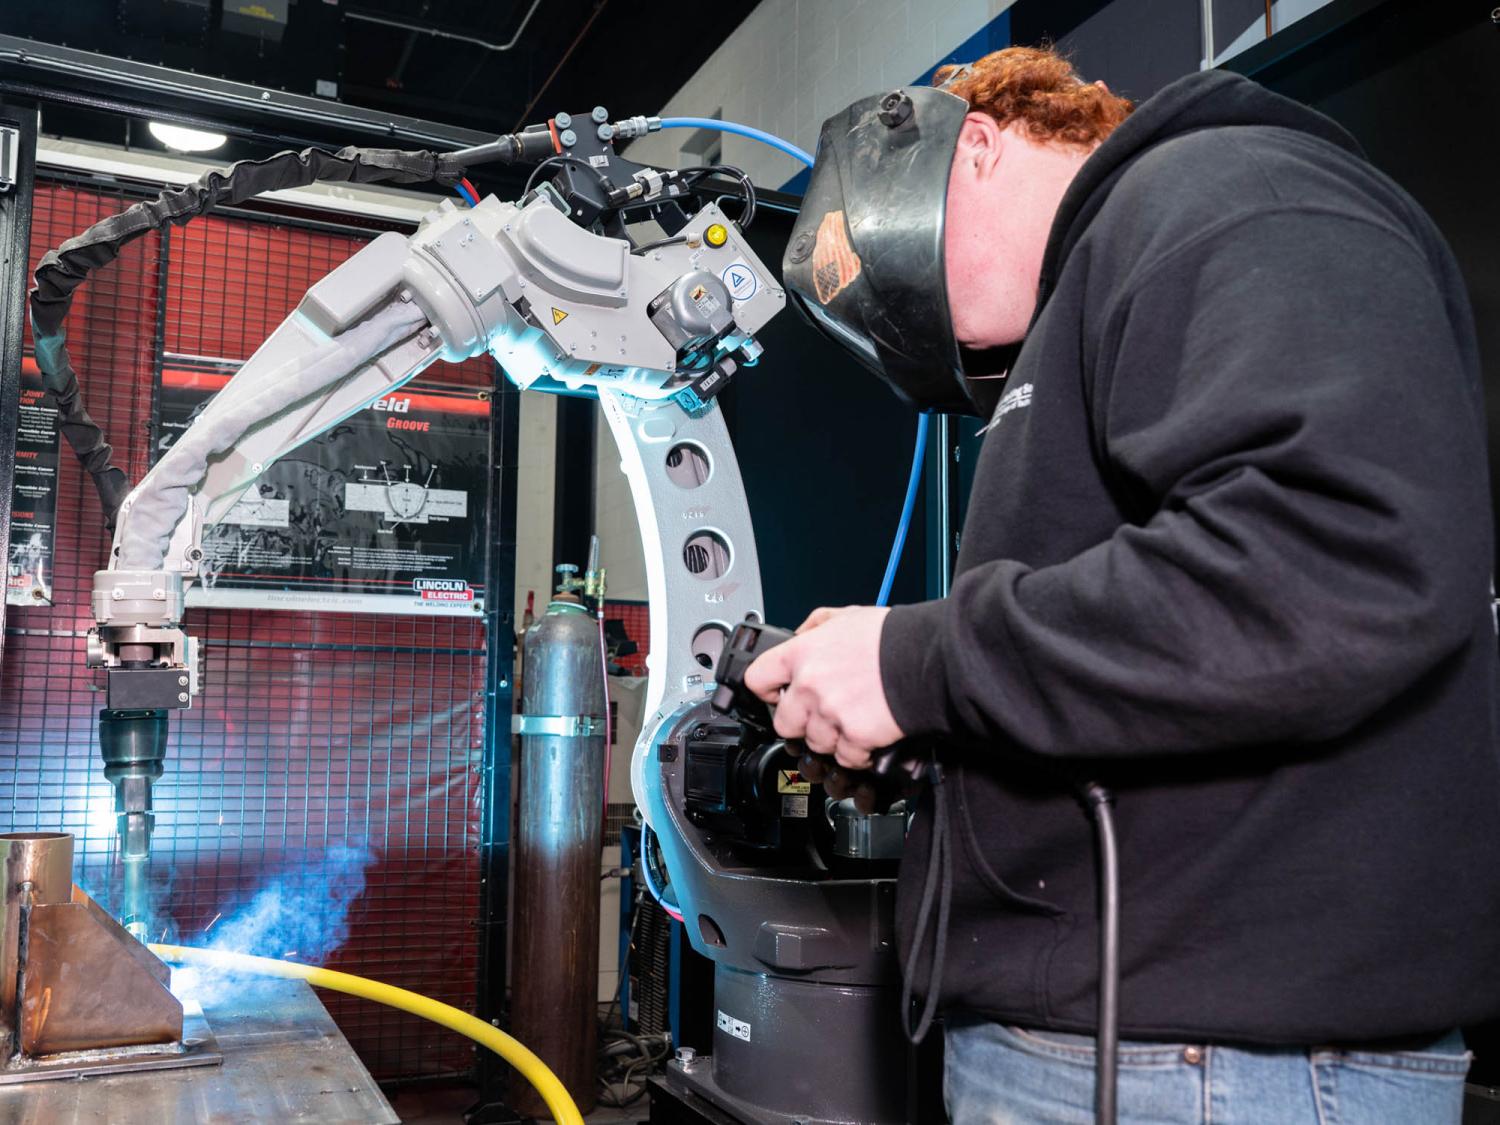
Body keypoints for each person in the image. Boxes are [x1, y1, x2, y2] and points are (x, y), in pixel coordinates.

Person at [748, 46, 1500, 1124]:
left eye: (930, 299)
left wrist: (917, 663)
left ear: (979, 143)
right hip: (1138, 1045)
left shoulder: (1230, 196)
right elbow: (1162, 643)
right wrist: (936, 719)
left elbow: (1327, 567)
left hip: (1217, 1068)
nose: (961, 345)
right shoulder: (1116, 273)